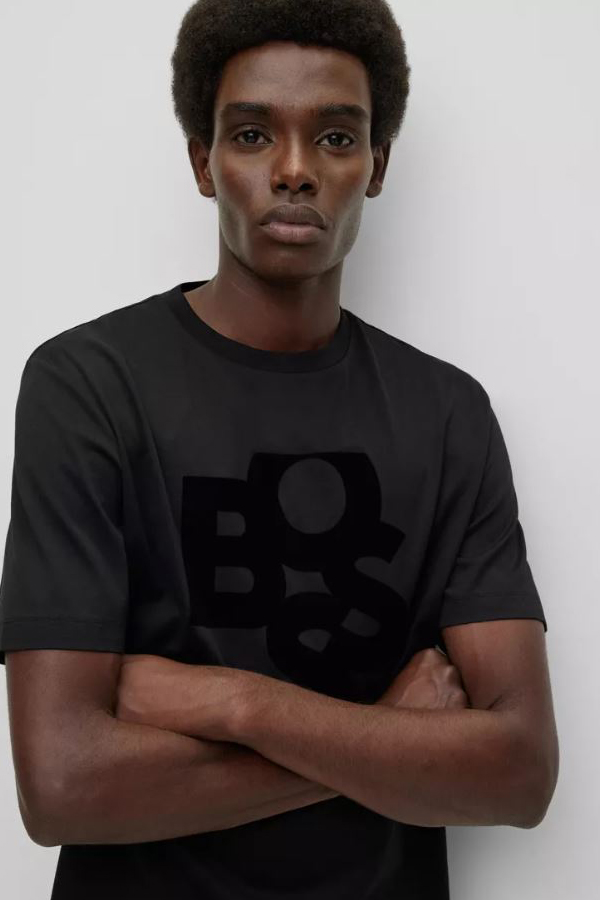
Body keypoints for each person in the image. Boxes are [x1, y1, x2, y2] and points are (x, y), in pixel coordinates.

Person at [0, 1, 558, 898]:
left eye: (335, 137)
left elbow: (520, 774)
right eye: (253, 134)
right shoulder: (89, 385)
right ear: (203, 162)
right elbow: (61, 787)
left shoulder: (447, 413)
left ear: (376, 166)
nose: (295, 170)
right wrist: (384, 735)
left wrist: (236, 703)